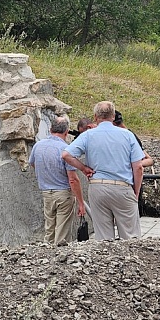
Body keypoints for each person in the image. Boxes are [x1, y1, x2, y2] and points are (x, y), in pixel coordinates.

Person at [61, 101, 146, 240]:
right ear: (113, 116)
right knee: (131, 238)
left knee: (103, 239)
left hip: (98, 186)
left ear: (95, 117)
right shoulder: (127, 135)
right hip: (122, 187)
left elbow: (66, 155)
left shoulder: (88, 135)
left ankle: (108, 261)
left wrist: (83, 168)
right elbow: (138, 167)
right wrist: (135, 192)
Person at [29, 116, 87, 246]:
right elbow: (73, 179)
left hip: (46, 193)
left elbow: (33, 164)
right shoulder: (66, 149)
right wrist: (81, 203)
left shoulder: (38, 146)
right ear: (66, 132)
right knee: (62, 233)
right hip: (63, 194)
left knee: (49, 229)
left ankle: (46, 255)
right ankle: (60, 259)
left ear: (50, 129)